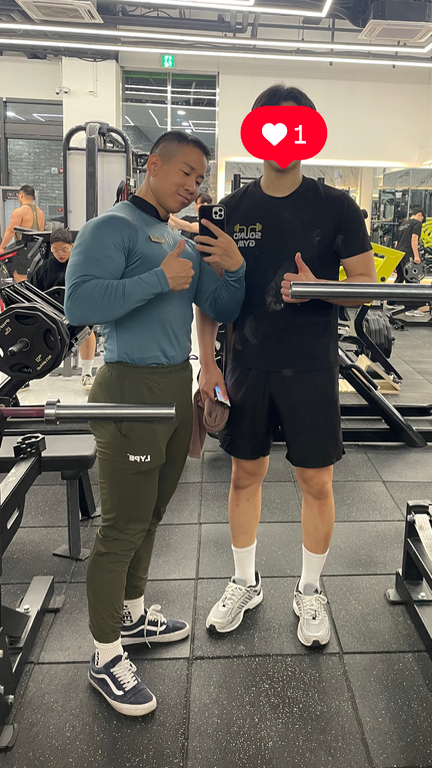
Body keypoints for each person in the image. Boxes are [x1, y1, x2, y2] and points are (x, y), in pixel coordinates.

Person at [64, 130, 246, 716]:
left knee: (152, 515)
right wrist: (156, 281)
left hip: (172, 384)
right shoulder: (110, 228)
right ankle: (104, 655)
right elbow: (79, 306)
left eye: (200, 178)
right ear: (154, 164)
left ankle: (133, 615)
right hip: (128, 386)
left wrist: (235, 268)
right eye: (185, 172)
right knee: (122, 526)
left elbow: (221, 306)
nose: (193, 185)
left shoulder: (178, 239)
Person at [195, 84, 377, 648]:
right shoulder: (228, 212)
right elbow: (207, 298)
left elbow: (366, 287)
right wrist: (208, 366)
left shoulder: (337, 207)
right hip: (245, 364)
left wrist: (317, 287)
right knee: (243, 475)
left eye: (295, 127)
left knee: (315, 481)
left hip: (312, 366)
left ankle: (310, 590)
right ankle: (244, 583)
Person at [28, 228, 98, 390]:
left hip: (78, 311)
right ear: (50, 248)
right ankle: (26, 376)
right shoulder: (43, 269)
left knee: (86, 330)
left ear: (72, 246)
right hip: (50, 313)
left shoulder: (82, 266)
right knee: (31, 332)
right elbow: (32, 293)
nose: (60, 253)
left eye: (64, 249)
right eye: (56, 250)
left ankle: (87, 374)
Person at [0, 185, 46, 282]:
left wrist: (2, 247)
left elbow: (11, 230)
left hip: (23, 249)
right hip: (37, 250)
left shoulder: (19, 211)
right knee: (32, 280)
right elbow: (41, 232)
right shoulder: (41, 213)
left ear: (21, 195)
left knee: (21, 281)